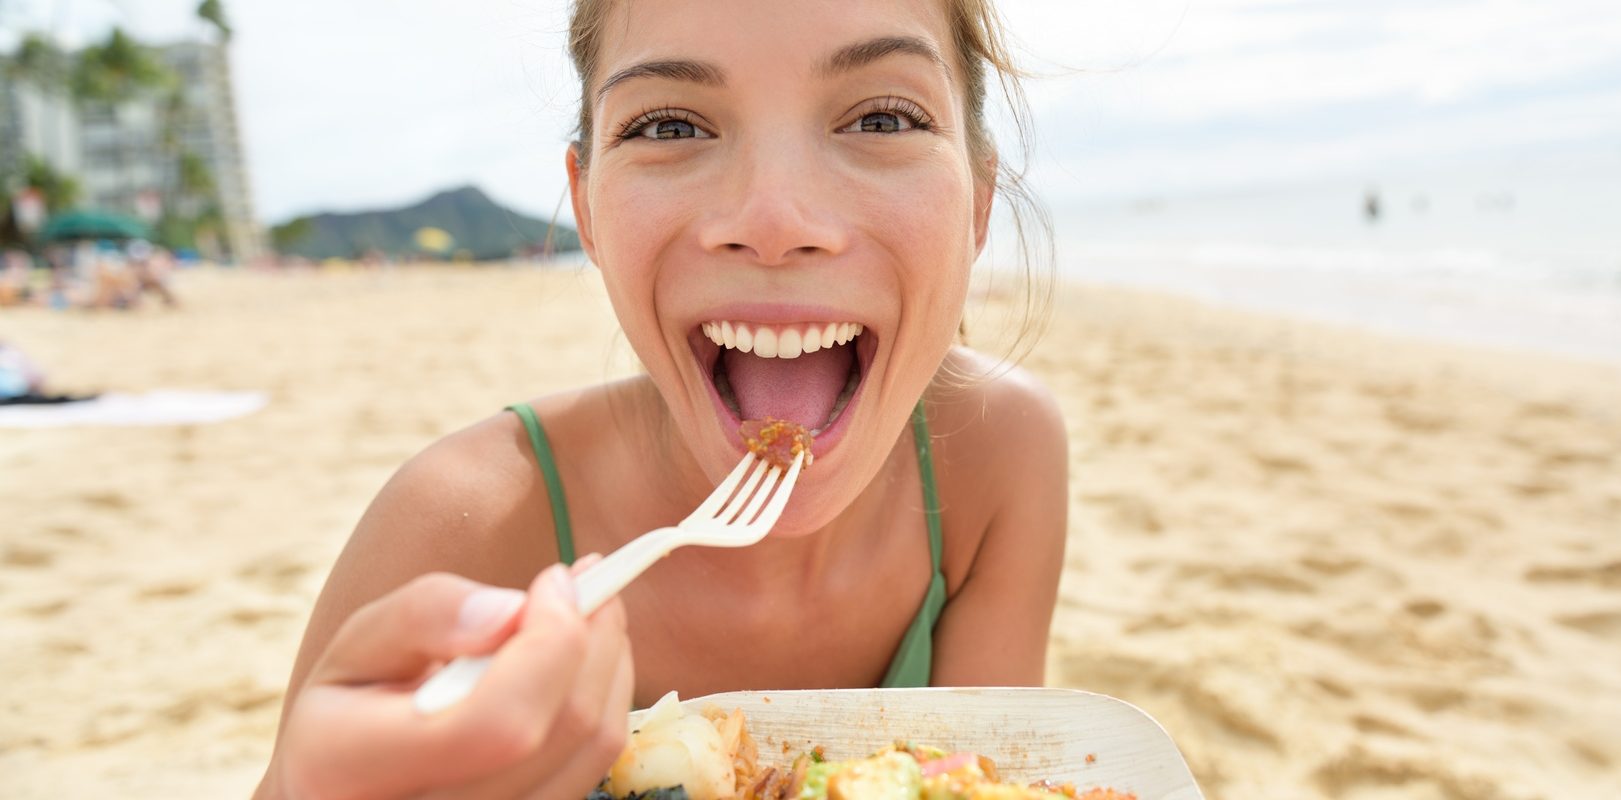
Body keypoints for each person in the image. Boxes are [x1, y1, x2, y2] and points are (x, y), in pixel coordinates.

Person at [256, 1, 1067, 797]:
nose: (774, 220)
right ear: (589, 211)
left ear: (979, 199)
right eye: (670, 127)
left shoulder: (998, 456)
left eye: (883, 120)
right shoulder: (462, 524)